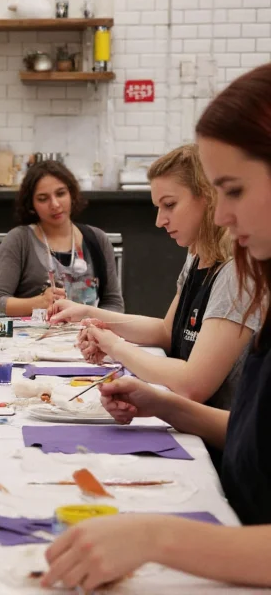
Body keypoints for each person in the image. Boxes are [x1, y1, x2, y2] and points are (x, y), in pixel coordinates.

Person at [42, 62, 271, 592]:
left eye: (233, 191)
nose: (225, 216)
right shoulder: (253, 279)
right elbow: (247, 431)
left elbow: (196, 381)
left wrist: (154, 538)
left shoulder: (241, 272)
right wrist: (163, 403)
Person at [49, 145, 259, 410]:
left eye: (169, 205)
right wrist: (90, 315)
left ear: (208, 197)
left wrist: (115, 346)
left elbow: (193, 384)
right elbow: (165, 332)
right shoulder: (197, 255)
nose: (160, 221)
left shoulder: (235, 271)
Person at [0, 160, 124, 316]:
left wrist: (97, 326)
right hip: (34, 338)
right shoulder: (19, 240)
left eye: (60, 193)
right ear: (31, 205)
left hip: (88, 337)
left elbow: (113, 302)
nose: (55, 204)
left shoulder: (98, 239)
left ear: (72, 194)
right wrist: (37, 303)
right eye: (43, 199)